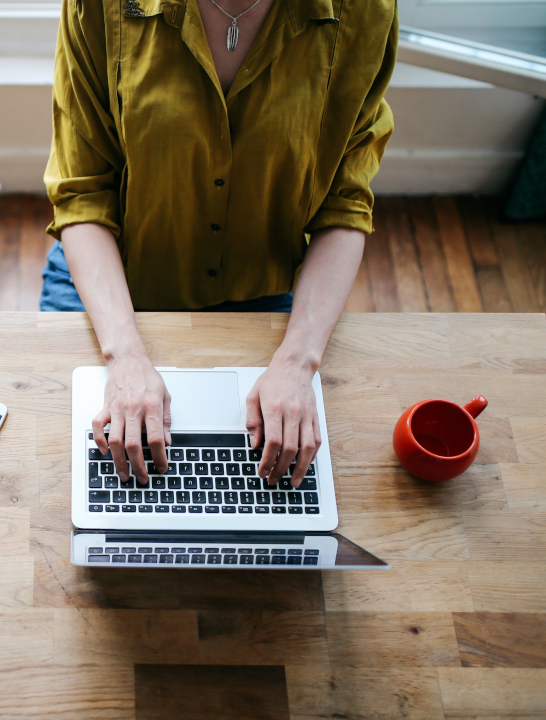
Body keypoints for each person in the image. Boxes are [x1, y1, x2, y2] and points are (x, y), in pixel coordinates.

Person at [42, 0, 397, 491]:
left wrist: (298, 362)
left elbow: (345, 202)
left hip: (264, 291)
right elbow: (83, 194)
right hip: (110, 281)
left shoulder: (366, 12)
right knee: (63, 481)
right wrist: (124, 357)